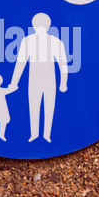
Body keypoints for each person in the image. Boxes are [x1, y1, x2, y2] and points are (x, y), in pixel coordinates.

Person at [8, 13, 68, 143]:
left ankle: (37, 134)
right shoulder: (55, 41)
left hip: (37, 78)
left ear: (34, 25)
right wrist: (63, 83)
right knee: (48, 106)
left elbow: (20, 64)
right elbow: (63, 65)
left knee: (35, 105)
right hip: (47, 78)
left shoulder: (28, 41)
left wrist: (14, 83)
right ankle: (44, 134)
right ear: (48, 25)